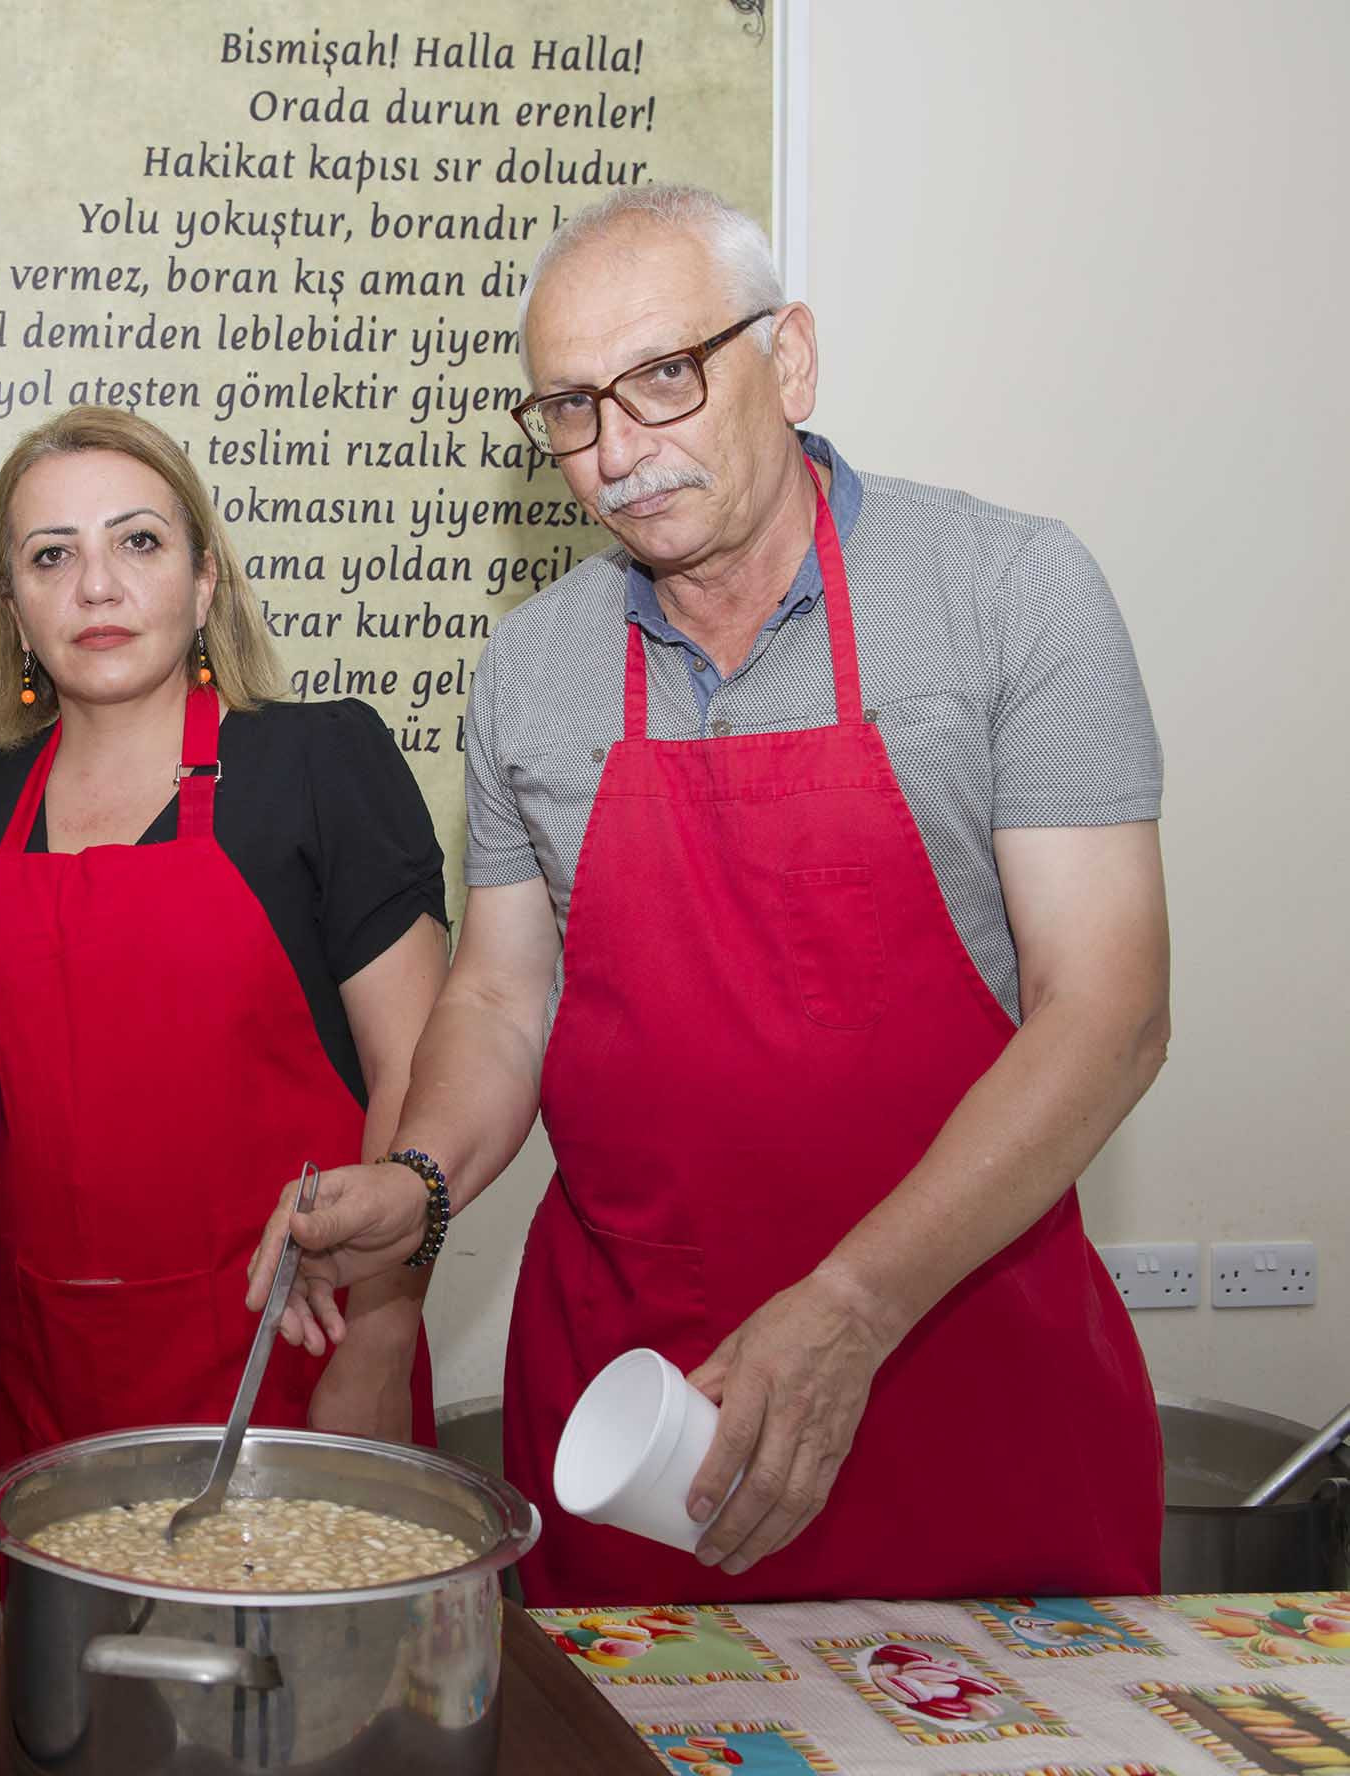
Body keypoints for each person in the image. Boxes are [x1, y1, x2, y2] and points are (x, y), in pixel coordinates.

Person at [248, 185, 1168, 1604]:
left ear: (788, 360)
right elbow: (500, 997)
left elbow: (1107, 1011)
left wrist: (853, 1306)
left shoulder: (1009, 592)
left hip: (957, 1358)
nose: (619, 452)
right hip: (641, 1401)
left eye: (665, 376)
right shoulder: (530, 668)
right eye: (571, 409)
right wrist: (417, 1180)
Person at [0, 407, 449, 1592]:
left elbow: (419, 1079)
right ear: (13, 607)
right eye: (51, 555)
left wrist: (381, 1343)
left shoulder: (319, 763)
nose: (96, 585)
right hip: (33, 1386)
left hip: (288, 1363)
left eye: (139, 542)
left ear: (205, 579)